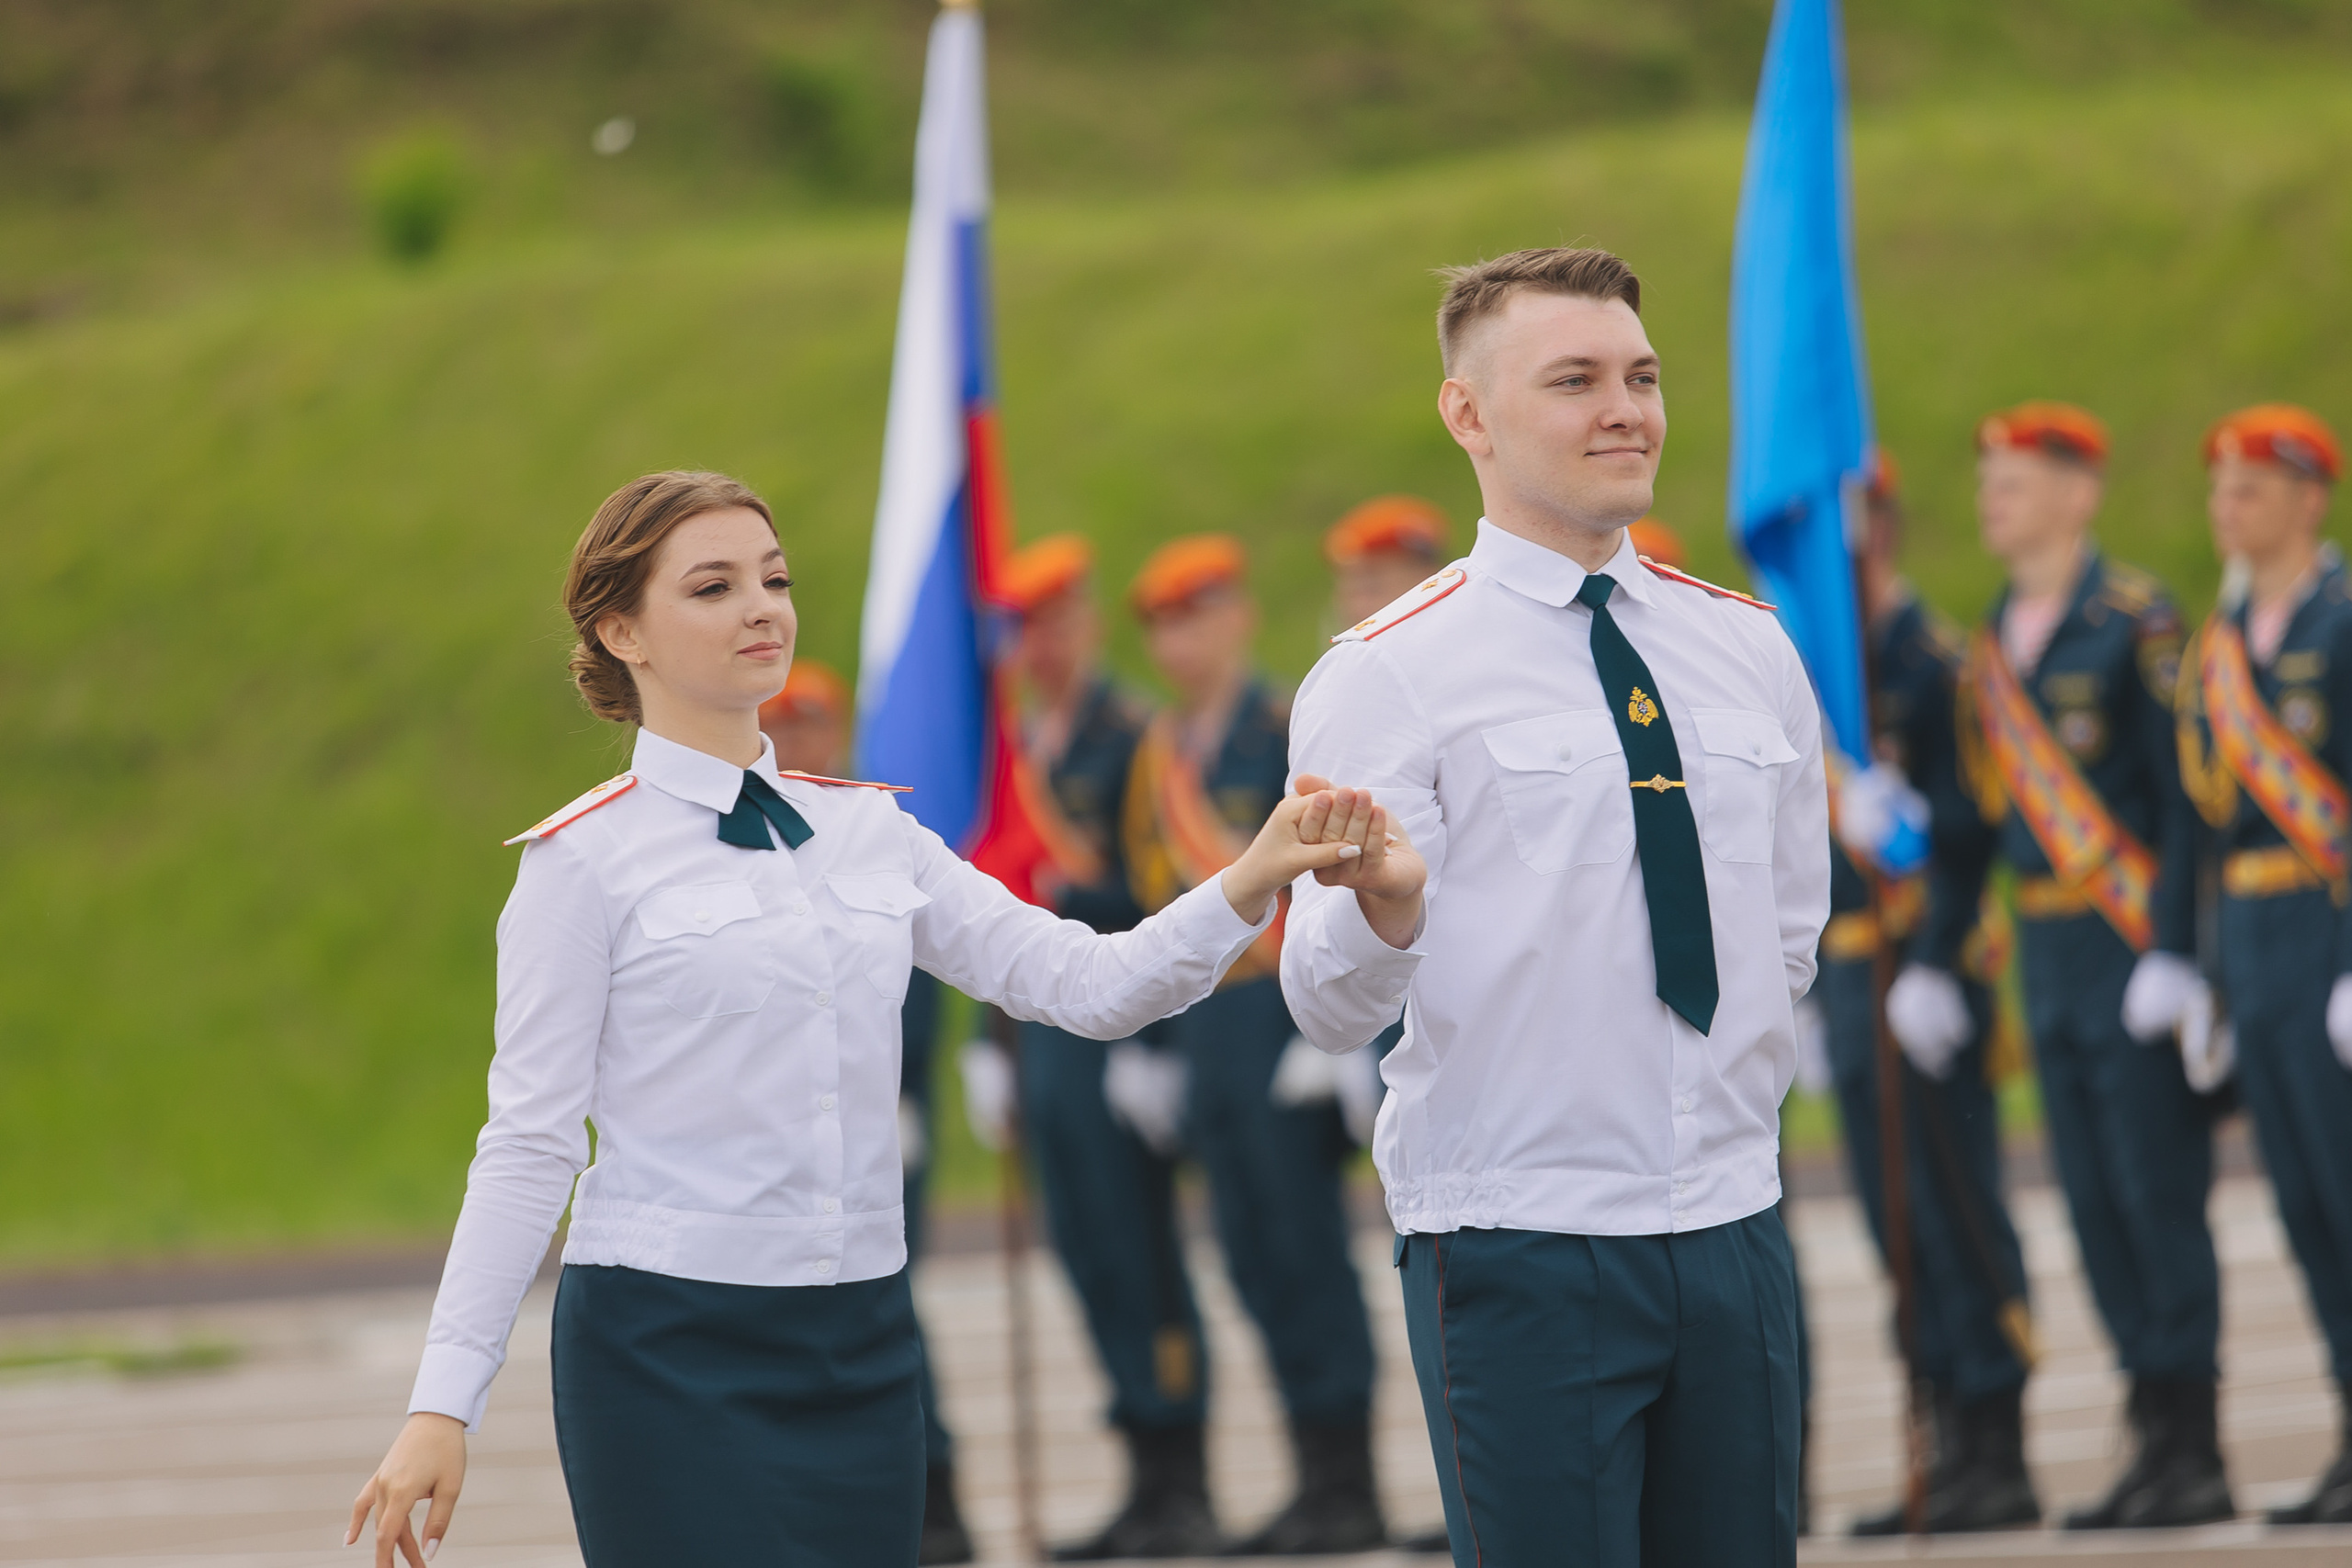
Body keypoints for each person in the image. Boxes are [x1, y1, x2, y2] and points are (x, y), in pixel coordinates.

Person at [342, 470, 1390, 1568]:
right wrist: (440, 1404)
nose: (762, 607)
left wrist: (1251, 875)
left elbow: (1090, 984)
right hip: (668, 1346)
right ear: (621, 631)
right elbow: (528, 1144)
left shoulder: (869, 835)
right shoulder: (581, 863)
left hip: (860, 1343)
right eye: (712, 587)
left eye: (774, 578)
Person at [1282, 246, 1829, 1564]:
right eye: (1575, 379)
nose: (1624, 409)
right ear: (1468, 415)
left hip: (1733, 1229)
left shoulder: (1746, 644)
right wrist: (1390, 912)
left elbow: (1790, 930)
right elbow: (1322, 999)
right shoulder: (1389, 674)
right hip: (1522, 1243)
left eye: (1640, 376)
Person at [1893, 402, 2230, 1529]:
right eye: (1988, 478)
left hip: (2126, 941)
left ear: (2078, 492)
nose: (1994, 496)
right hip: (2041, 947)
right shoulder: (1992, 644)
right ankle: (2150, 1434)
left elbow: (2186, 802)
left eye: (2019, 478)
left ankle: (2195, 1445)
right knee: (2088, 1198)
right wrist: (1936, 955)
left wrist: (2178, 949)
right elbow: (1972, 831)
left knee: (2154, 1193)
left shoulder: (2131, 624)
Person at [1125, 535, 1388, 1554]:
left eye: (1200, 613)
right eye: (1163, 623)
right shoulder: (1163, 750)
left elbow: (1330, 869)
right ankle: (1308, 1473)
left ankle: (1347, 1478)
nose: (1182, 640)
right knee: (1245, 1252)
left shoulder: (1285, 730)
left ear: (1238, 615)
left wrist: (1330, 1023)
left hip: (1283, 1012)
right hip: (1206, 1027)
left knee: (1302, 1246)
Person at [965, 534, 1223, 1561]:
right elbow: (997, 900)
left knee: (1141, 1247)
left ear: (1085, 622)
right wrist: (991, 1043)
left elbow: (1160, 893)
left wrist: (1153, 1043)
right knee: (1085, 1248)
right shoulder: (1021, 748)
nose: (1043, 644)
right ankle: (1140, 1468)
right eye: (1024, 629)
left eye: (1056, 622)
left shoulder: (1131, 737)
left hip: (1122, 1026)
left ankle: (1183, 1474)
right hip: (1045, 1039)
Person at [1825, 458, 2037, 1535]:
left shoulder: (1932, 663)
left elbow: (1974, 831)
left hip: (1929, 975)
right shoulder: (1822, 668)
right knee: (1889, 1219)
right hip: (1853, 980)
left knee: (1957, 1210)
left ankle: (1996, 1444)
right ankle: (1942, 1437)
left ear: (1878, 534)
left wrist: (1944, 962)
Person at [2174, 405, 2352, 1526]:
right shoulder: (2220, 640)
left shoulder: (2338, 621)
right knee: (2302, 1203)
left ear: (2306, 497)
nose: (2226, 504)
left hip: (2328, 936)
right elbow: (2205, 829)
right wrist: (2203, 973)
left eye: (2251, 485)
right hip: (2255, 945)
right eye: (2219, 486)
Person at [760, 661, 974, 1566]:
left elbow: (911, 971)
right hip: (788, 1131)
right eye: (789, 726)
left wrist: (913, 1090)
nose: (805, 743)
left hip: (884, 1115)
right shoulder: (754, 843)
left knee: (885, 1303)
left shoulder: (869, 831)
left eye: (817, 726)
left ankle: (936, 1500)